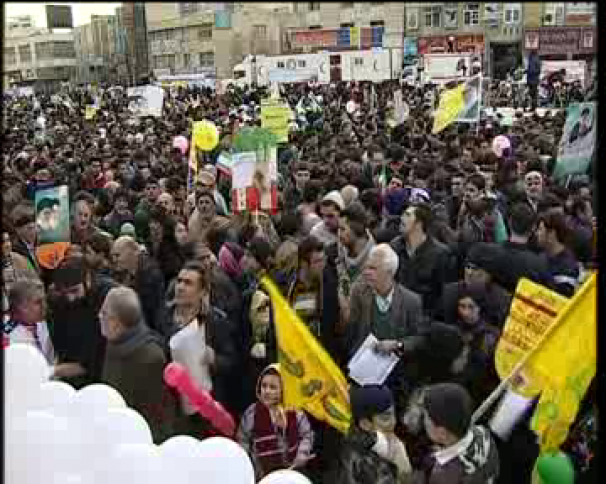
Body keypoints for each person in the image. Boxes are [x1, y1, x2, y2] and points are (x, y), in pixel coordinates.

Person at [346, 244, 425, 412]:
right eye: (366, 267)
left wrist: (398, 345)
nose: (366, 272)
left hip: (395, 377)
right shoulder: (359, 293)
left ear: (390, 272)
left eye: (373, 268)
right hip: (362, 374)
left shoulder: (412, 301)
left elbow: (419, 338)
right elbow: (350, 331)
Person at [162, 262, 239, 425]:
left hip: (206, 407)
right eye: (179, 281)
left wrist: (214, 359)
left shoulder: (216, 322)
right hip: (173, 406)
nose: (181, 287)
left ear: (202, 291)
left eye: (188, 283)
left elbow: (232, 362)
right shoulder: (164, 317)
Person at [99, 286, 175, 442]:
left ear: (116, 322)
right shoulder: (113, 340)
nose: (99, 316)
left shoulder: (151, 357)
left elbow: (157, 413)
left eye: (103, 313)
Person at [237, 364, 314, 480]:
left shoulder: (295, 410)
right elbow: (243, 439)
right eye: (264, 386)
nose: (267, 391)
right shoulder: (252, 413)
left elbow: (307, 434)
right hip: (262, 475)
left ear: (283, 389)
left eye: (273, 387)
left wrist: (302, 454)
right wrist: (247, 464)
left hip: (292, 472)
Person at [414, 382, 499, 484]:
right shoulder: (483, 433)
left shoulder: (443, 475)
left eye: (426, 417)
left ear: (442, 432)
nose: (424, 421)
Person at [328, 385, 412, 484]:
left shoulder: (377, 440)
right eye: (385, 418)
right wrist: (404, 472)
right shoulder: (360, 461)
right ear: (365, 424)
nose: (393, 422)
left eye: (394, 414)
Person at [47, 256, 110, 388]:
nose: (70, 298)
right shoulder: (59, 300)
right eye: (65, 292)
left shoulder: (107, 296)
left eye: (74, 291)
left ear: (87, 279)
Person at [390, 203, 455, 315]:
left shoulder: (440, 254)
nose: (401, 218)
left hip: (425, 317)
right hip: (396, 315)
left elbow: (442, 296)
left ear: (419, 223)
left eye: (407, 215)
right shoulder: (394, 247)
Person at [111, 235, 166, 333]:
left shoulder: (150, 275)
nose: (114, 260)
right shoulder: (127, 274)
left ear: (132, 252)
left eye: (117, 255)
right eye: (113, 256)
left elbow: (151, 312)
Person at [3, 279, 54, 364]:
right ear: (21, 306)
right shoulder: (6, 333)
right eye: (38, 302)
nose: (44, 306)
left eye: (44, 300)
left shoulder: (42, 323)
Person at [536, 209, 580, 297]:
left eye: (540, 229)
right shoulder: (541, 256)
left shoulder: (567, 269)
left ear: (552, 233)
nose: (537, 233)